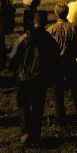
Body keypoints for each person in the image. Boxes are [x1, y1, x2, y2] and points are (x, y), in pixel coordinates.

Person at [9, 10, 59, 145]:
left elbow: (12, 57)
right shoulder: (49, 39)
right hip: (40, 79)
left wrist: (15, 71)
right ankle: (36, 134)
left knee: (23, 106)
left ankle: (25, 131)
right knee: (38, 107)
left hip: (23, 77)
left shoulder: (22, 38)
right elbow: (55, 59)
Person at [47, 3, 77, 125]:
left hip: (57, 64)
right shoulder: (74, 28)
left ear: (56, 13)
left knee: (57, 91)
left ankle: (60, 116)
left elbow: (48, 50)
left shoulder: (51, 30)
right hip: (70, 62)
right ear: (67, 12)